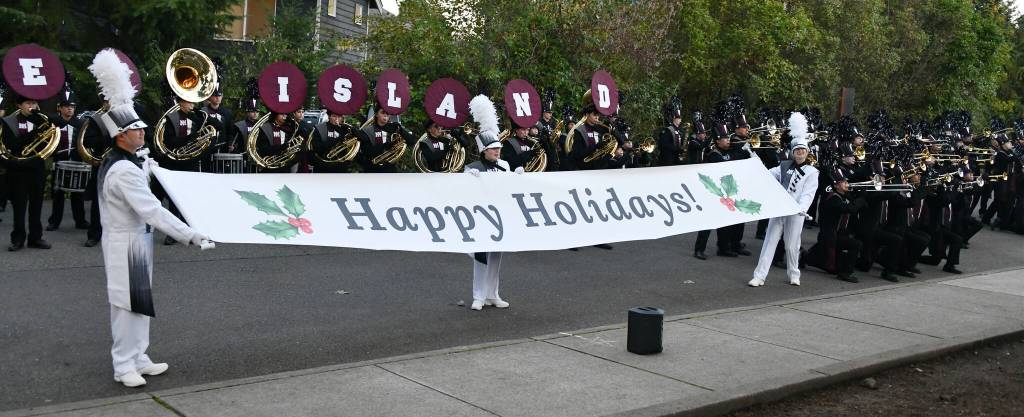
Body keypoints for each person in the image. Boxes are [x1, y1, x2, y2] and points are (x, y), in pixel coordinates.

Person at [88, 49, 211, 387]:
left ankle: (139, 356)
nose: (142, 133)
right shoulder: (123, 170)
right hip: (124, 241)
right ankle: (122, 364)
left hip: (137, 240)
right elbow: (152, 210)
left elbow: (152, 178)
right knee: (125, 306)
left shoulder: (130, 161)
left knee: (140, 301)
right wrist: (191, 234)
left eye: (142, 129)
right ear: (119, 136)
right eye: (136, 130)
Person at [749, 113, 818, 287]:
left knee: (791, 246)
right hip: (779, 208)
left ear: (807, 152)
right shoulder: (783, 166)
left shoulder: (812, 172)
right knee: (770, 242)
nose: (800, 153)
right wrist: (755, 160)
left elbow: (808, 194)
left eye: (803, 150)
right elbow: (766, 174)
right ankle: (760, 275)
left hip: (796, 212)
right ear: (793, 152)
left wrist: (801, 208)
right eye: (797, 150)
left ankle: (794, 274)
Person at [465, 94, 518, 310]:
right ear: (483, 150)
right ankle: (478, 296)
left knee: (496, 257)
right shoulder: (473, 168)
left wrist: (518, 177)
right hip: (480, 217)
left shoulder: (504, 165)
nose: (497, 151)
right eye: (493, 149)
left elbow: (510, 189)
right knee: (481, 258)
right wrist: (471, 181)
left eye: (498, 148)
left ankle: (493, 294)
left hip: (500, 217)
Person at [2, 95, 52, 251]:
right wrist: (35, 134)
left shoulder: (43, 121)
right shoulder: (8, 122)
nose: (33, 106)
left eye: (35, 102)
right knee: (19, 206)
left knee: (37, 205)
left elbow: (49, 143)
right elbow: (12, 146)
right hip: (18, 169)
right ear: (19, 105)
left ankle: (36, 238)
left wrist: (43, 129)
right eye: (29, 103)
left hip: (37, 168)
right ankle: (17, 239)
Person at [47, 92, 89, 231]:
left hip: (76, 161)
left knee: (78, 194)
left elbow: (85, 141)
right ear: (60, 108)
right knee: (58, 193)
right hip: (59, 161)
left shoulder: (81, 123)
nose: (70, 109)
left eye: (72, 106)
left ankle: (80, 221)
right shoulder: (53, 122)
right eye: (66, 106)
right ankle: (54, 222)